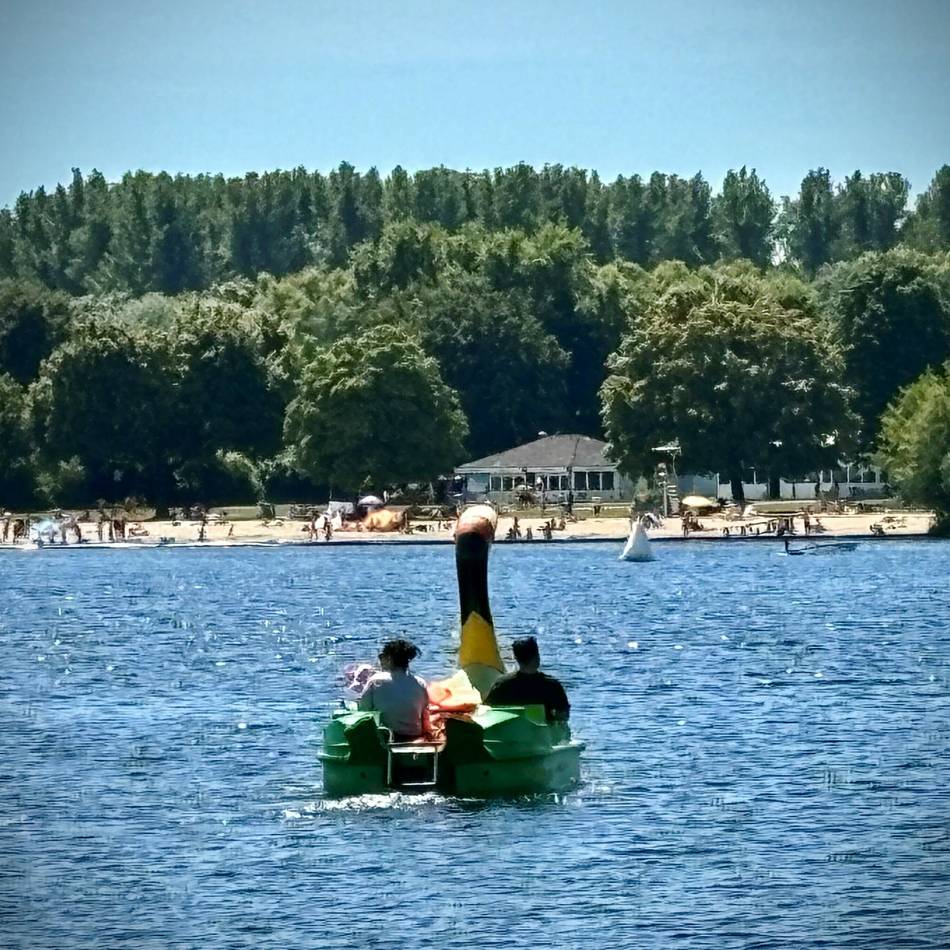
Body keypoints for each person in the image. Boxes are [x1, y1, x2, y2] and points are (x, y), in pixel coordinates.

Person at [485, 636, 570, 724]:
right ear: (537, 658)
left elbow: (487, 710)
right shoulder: (552, 686)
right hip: (541, 731)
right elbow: (563, 716)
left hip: (510, 729)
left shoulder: (501, 685)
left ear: (516, 659)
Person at [358, 638, 429, 741]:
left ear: (389, 658)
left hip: (386, 738)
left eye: (382, 657)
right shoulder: (420, 683)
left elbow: (363, 712)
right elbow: (424, 714)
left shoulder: (376, 680)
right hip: (414, 736)